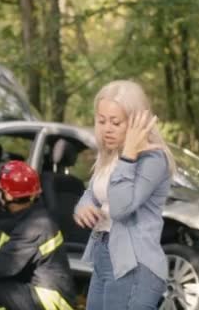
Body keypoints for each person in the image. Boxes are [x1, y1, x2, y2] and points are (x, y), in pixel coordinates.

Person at [73, 80, 175, 310]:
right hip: (104, 255)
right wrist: (83, 206)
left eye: (115, 122)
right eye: (102, 121)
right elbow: (94, 192)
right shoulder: (110, 154)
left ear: (136, 121)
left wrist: (129, 156)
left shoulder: (152, 159)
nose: (106, 128)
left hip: (134, 264)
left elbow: (121, 208)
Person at [0, 160, 76, 310]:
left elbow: (1, 265)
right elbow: (17, 248)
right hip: (47, 296)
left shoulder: (36, 225)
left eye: (1, 190)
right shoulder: (35, 217)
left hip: (52, 303)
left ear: (9, 196)